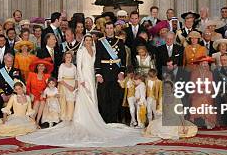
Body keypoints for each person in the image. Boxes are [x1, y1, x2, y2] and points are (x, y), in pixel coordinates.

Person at [18, 34, 157, 147]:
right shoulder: (82, 51)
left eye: (90, 40)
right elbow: (79, 66)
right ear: (84, 41)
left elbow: (96, 64)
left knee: (94, 97)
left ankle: (95, 117)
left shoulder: (95, 50)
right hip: (84, 77)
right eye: (87, 40)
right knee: (85, 97)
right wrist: (80, 80)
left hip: (92, 76)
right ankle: (83, 120)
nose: (89, 42)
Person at [94, 22, 126, 123]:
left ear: (114, 29)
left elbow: (123, 58)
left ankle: (114, 119)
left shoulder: (120, 41)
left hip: (116, 73)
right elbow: (97, 58)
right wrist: (98, 73)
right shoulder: (100, 42)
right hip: (104, 72)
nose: (109, 30)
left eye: (111, 28)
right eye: (107, 28)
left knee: (115, 96)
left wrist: (121, 71)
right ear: (105, 30)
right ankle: (105, 119)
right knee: (103, 97)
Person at [0, 53, 23, 121]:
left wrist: (12, 94)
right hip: (1, 93)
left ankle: (14, 120)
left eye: (11, 61)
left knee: (17, 97)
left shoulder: (16, 71)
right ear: (4, 61)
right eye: (8, 61)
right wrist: (3, 95)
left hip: (13, 93)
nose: (10, 63)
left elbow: (18, 84)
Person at [188, 56, 216, 129]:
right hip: (196, 92)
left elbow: (211, 85)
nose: (205, 65)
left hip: (207, 93)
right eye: (203, 63)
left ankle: (208, 121)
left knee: (206, 98)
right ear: (200, 64)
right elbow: (192, 84)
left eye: (206, 63)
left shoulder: (210, 73)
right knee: (200, 99)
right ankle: (194, 120)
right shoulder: (194, 73)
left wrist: (207, 91)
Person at [27, 58, 53, 125]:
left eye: (42, 66)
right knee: (37, 102)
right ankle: (32, 120)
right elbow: (27, 87)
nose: (41, 67)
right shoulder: (31, 74)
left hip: (42, 95)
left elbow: (49, 87)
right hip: (33, 95)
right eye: (39, 65)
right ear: (37, 67)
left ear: (45, 67)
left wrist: (44, 93)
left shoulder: (47, 76)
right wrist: (30, 94)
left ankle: (38, 121)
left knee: (42, 101)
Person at [57, 51, 77, 121]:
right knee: (63, 102)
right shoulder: (62, 66)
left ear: (72, 58)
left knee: (71, 101)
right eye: (67, 57)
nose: (68, 58)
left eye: (70, 57)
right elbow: (60, 79)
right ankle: (63, 117)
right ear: (64, 58)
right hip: (64, 85)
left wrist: (75, 87)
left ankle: (70, 117)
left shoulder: (74, 67)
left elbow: (76, 78)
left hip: (72, 85)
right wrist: (68, 87)